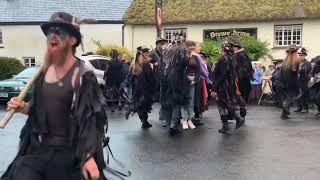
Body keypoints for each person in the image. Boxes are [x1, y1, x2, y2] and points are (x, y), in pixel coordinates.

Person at [1, 12, 108, 180]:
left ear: (73, 40)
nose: (53, 35)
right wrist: (23, 108)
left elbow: (91, 121)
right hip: (39, 150)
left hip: (70, 153)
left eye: (59, 31)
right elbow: (38, 111)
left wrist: (88, 157)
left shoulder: (82, 75)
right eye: (50, 32)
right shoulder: (44, 73)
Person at [210, 41, 245, 134]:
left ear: (223, 48)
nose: (219, 48)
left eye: (220, 47)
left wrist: (214, 87)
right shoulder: (230, 58)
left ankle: (237, 118)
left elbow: (222, 75)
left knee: (224, 103)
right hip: (229, 84)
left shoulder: (223, 59)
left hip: (223, 85)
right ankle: (225, 125)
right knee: (222, 104)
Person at [160, 37, 190, 135]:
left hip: (165, 79)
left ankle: (169, 124)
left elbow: (160, 65)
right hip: (177, 79)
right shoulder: (181, 49)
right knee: (177, 102)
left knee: (168, 102)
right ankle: (173, 125)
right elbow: (185, 62)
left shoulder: (166, 50)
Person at [129, 46, 157, 129]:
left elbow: (130, 76)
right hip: (144, 88)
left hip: (137, 88)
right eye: (146, 52)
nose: (148, 53)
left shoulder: (134, 64)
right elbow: (150, 77)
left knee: (140, 104)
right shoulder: (145, 64)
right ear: (144, 53)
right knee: (144, 104)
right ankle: (144, 121)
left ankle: (143, 120)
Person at [181, 41, 200, 130]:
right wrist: (186, 80)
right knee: (184, 99)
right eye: (190, 46)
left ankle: (190, 119)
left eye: (193, 46)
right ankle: (184, 119)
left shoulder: (196, 57)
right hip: (184, 80)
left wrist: (195, 80)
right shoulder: (182, 56)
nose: (192, 48)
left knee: (191, 100)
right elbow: (180, 70)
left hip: (193, 80)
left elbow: (198, 71)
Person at [278, 45, 300, 120]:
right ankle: (285, 106)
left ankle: (283, 115)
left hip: (283, 82)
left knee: (286, 97)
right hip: (290, 83)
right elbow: (295, 75)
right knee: (290, 97)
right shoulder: (295, 62)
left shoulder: (285, 61)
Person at [295, 48, 311, 113]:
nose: (300, 56)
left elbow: (306, 70)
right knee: (297, 94)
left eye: (301, 55)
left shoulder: (307, 63)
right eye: (299, 55)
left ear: (304, 56)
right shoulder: (297, 63)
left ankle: (305, 108)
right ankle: (299, 107)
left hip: (304, 81)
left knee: (304, 95)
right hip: (297, 81)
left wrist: (300, 69)